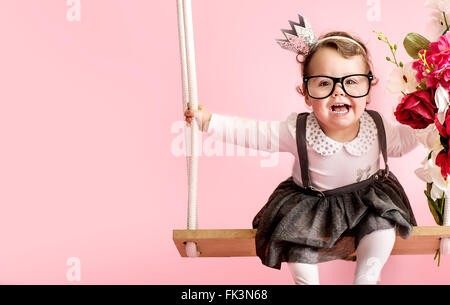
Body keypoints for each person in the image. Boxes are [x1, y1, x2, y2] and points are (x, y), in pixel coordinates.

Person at [183, 15, 418, 285]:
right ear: (306, 93)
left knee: (382, 227)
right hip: (312, 203)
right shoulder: (299, 130)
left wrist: (435, 123)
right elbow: (255, 134)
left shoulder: (377, 127)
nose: (338, 92)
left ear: (368, 90)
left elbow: (404, 141)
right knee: (297, 241)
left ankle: (367, 276)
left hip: (366, 202)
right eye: (324, 83)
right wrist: (211, 122)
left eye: (351, 82)